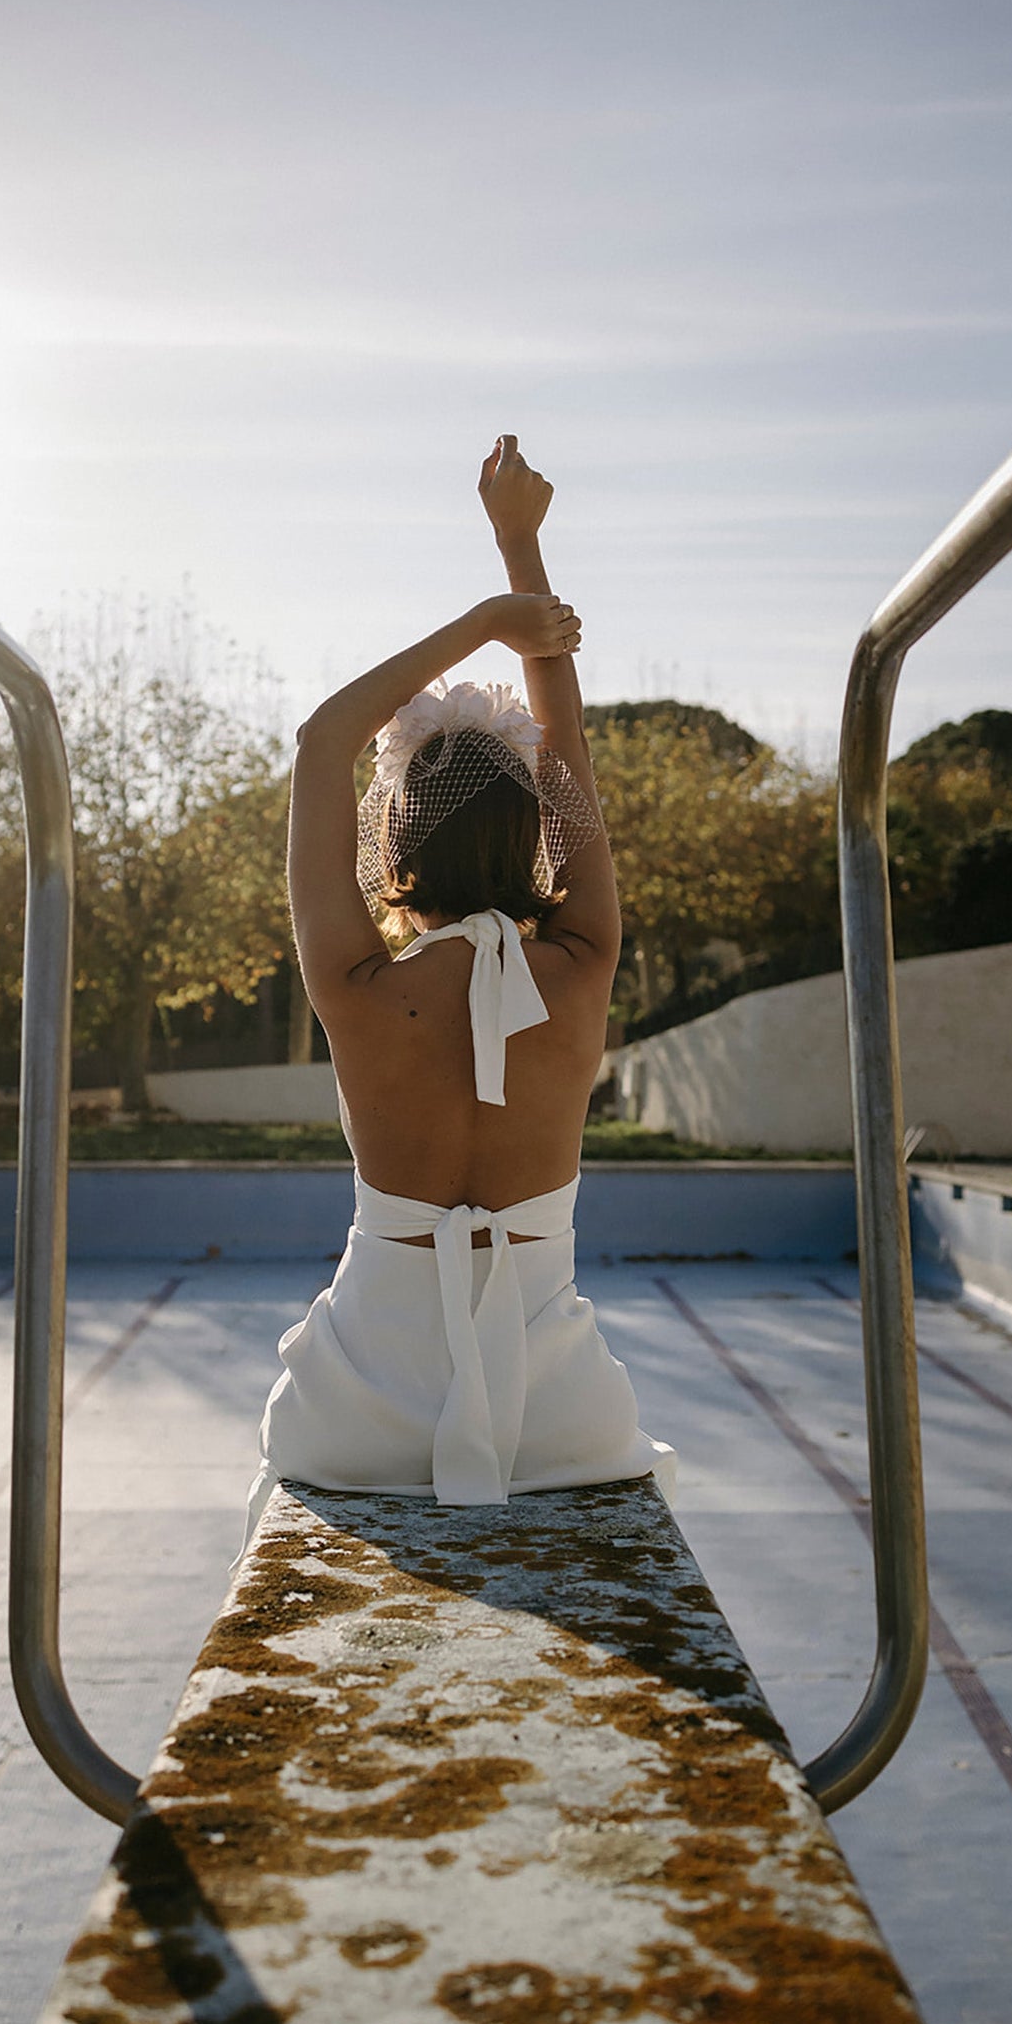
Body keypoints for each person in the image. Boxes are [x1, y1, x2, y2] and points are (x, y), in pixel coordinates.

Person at [245, 436, 673, 1539]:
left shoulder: (353, 980)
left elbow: (320, 739)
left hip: (357, 1412)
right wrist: (520, 550)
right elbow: (566, 749)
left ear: (389, 844)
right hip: (561, 1418)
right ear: (539, 837)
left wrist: (484, 617)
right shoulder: (580, 960)